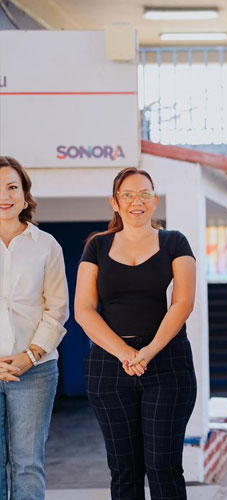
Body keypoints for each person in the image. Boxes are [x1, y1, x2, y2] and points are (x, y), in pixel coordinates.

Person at [74, 167, 197, 500]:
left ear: (155, 200)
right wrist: (126, 354)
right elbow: (84, 309)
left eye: (144, 194)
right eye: (127, 195)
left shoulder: (175, 242)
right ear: (114, 202)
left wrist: (149, 351)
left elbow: (183, 303)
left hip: (168, 365)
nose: (136, 201)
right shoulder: (97, 246)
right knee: (124, 470)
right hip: (110, 368)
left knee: (163, 467)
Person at [0, 156, 69, 499]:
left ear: (25, 195)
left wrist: (30, 355)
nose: (5, 196)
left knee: (28, 464)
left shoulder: (47, 246)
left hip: (36, 371)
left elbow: (57, 309)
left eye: (13, 187)